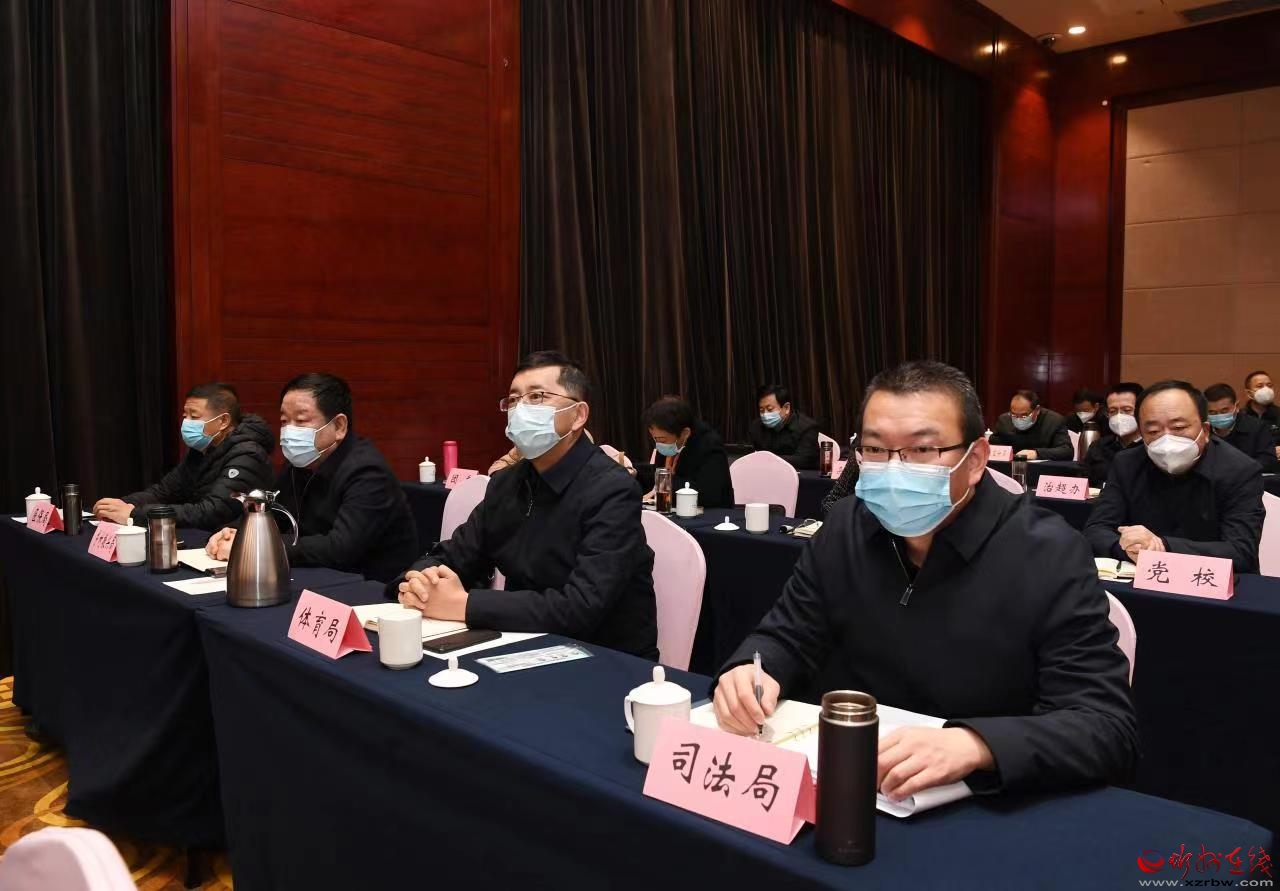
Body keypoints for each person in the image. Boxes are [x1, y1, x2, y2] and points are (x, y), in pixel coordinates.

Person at [712, 361, 1137, 802]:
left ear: (976, 459)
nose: (894, 469)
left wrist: (976, 745)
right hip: (846, 779)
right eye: (875, 449)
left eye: (921, 450)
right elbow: (787, 633)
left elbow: (1105, 726)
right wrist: (751, 669)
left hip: (974, 804)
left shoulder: (1048, 552)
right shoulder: (844, 527)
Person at [389, 351, 657, 658]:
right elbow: (456, 553)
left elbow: (582, 605)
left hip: (604, 658)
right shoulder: (506, 483)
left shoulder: (612, 489)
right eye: (514, 400)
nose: (520, 409)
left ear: (578, 415)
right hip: (519, 645)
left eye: (536, 396)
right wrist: (417, 582)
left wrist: (464, 604)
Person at [206, 373, 418, 583]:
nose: (289, 431)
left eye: (301, 421)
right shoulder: (299, 464)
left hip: (370, 588)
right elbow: (275, 514)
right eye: (284, 421)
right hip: (316, 576)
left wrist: (256, 545)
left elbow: (340, 548)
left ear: (339, 426)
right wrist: (237, 531)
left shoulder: (368, 472)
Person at [1084, 380, 1264, 573]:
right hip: (1143, 577)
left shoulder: (1240, 470)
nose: (1166, 439)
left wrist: (1163, 547)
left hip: (1213, 582)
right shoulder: (1127, 463)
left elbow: (1241, 552)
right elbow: (1095, 530)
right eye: (1153, 431)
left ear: (1205, 431)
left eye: (1178, 428)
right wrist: (1128, 548)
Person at [91, 383, 273, 530]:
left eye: (194, 416)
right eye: (185, 415)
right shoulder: (202, 449)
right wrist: (122, 504)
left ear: (223, 421)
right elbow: (164, 492)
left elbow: (213, 512)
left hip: (228, 541)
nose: (187, 422)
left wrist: (135, 514)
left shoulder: (248, 454)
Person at [644, 397, 734, 508]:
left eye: (662, 440)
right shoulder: (667, 442)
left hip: (710, 512)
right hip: (672, 509)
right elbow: (657, 474)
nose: (658, 444)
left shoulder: (709, 445)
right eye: (655, 439)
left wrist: (665, 484)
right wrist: (634, 472)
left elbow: (710, 493)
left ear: (685, 433)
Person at [1204, 383, 1279, 472]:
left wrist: (1236, 469)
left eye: (1224, 411)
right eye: (1212, 412)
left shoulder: (1257, 427)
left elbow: (1268, 461)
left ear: (1237, 407)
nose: (1219, 415)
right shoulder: (1202, 430)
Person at [1085, 383, 1145, 487]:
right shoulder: (1098, 447)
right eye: (1113, 411)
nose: (1119, 416)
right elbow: (1084, 482)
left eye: (1127, 410)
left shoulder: (1152, 448)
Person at [748, 384, 820, 470]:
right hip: (766, 472)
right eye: (761, 410)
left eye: (770, 409)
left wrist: (769, 460)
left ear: (786, 408)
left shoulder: (807, 427)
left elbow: (804, 460)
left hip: (801, 474)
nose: (765, 415)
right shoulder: (756, 427)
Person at [989, 390, 1073, 461]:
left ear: (1037, 410)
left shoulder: (1054, 421)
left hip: (1043, 470)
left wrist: (1036, 453)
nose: (1018, 419)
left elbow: (1067, 451)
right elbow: (992, 447)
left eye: (1024, 416)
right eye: (1014, 415)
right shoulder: (1004, 420)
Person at [1241, 370, 1280, 457]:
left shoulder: (1278, 414)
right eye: (1260, 386)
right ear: (1248, 393)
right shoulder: (1240, 417)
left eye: (1269, 385)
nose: (1266, 389)